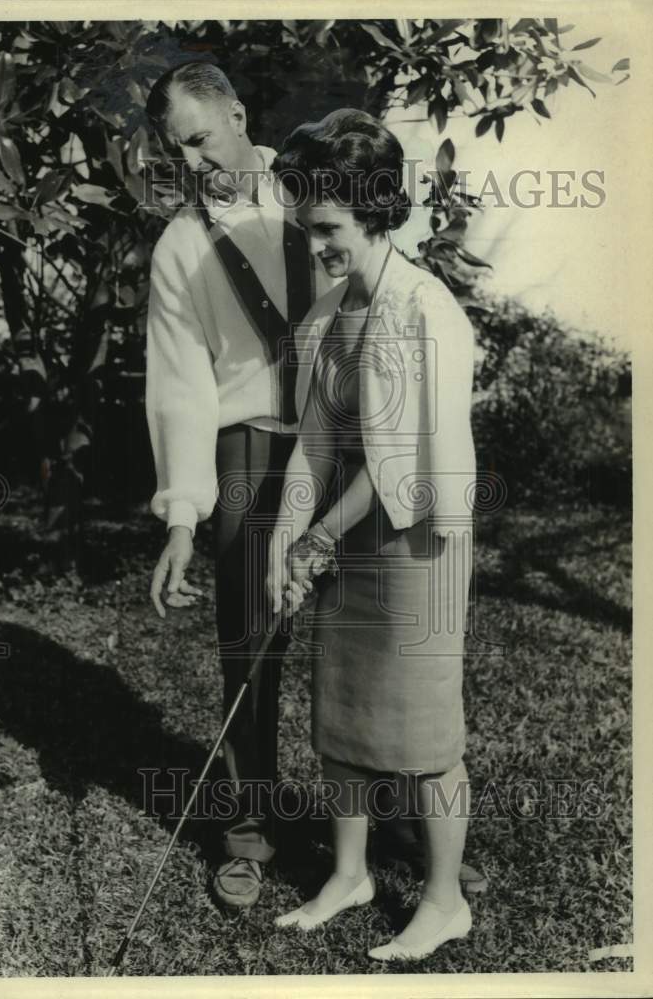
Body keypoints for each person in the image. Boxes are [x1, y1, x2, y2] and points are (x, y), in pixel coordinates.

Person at [266, 108, 478, 961]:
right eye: (305, 227)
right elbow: (315, 448)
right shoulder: (325, 320)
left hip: (417, 539)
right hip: (347, 536)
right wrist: (288, 544)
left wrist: (314, 544)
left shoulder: (423, 309)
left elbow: (396, 461)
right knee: (341, 721)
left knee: (423, 739)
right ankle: (350, 874)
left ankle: (442, 898)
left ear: (374, 212)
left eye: (326, 228)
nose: (315, 244)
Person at [143, 61, 330, 910]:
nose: (190, 162)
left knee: (376, 638)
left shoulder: (316, 195)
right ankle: (249, 825)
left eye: (199, 139)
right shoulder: (180, 245)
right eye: (174, 150)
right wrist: (183, 516)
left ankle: (395, 821)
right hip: (249, 445)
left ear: (238, 116)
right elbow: (179, 385)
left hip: (344, 436)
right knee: (250, 640)